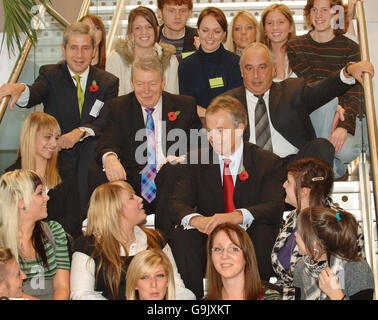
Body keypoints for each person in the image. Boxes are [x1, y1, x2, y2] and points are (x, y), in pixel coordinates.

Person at [170, 95, 285, 299]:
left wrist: (235, 217)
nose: (213, 137)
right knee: (183, 234)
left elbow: (274, 207)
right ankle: (196, 300)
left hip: (249, 233)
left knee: (265, 230)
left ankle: (258, 295)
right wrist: (198, 221)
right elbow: (177, 204)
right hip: (211, 235)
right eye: (209, 131)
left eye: (220, 131)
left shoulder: (267, 162)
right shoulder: (196, 160)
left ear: (240, 129)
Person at [0, 22, 119, 216]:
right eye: (73, 48)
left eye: (85, 48)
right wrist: (21, 89)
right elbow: (35, 93)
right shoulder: (51, 74)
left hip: (89, 156)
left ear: (94, 50)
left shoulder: (108, 81)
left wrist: (80, 132)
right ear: (64, 49)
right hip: (56, 155)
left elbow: (106, 119)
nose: (79, 55)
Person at [89, 55, 202, 240]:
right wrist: (110, 158)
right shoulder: (119, 107)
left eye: (153, 83)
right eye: (140, 84)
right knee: (96, 170)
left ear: (163, 82)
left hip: (173, 182)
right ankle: (104, 240)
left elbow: (198, 149)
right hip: (135, 184)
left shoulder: (185, 105)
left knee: (172, 171)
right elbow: (108, 141)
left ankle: (163, 241)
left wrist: (179, 160)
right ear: (132, 82)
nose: (146, 91)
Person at [223, 42, 374, 169]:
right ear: (242, 72)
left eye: (262, 67)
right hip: (251, 169)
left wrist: (348, 71)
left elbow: (324, 89)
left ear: (273, 69)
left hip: (293, 167)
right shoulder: (228, 102)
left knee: (322, 146)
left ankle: (312, 200)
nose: (256, 75)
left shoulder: (291, 90)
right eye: (249, 68)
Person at [70, 181, 195, 300]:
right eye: (131, 197)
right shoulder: (87, 246)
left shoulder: (156, 240)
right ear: (114, 209)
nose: (140, 199)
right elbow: (81, 294)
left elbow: (176, 286)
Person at [287, 0, 365, 178]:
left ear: (336, 13)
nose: (318, 15)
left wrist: (344, 126)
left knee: (345, 153)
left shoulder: (350, 47)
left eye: (324, 10)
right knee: (325, 104)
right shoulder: (296, 46)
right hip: (316, 112)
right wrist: (334, 104)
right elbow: (314, 86)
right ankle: (325, 176)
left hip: (344, 112)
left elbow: (356, 91)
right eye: (314, 10)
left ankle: (323, 169)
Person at [272, 157, 365, 299]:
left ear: (304, 191)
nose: (284, 185)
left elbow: (348, 277)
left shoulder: (338, 223)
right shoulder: (292, 217)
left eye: (289, 182)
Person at [5, 112, 82, 238]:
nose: (53, 144)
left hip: (60, 245)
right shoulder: (12, 176)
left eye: (57, 138)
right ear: (30, 137)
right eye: (47, 137)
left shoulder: (66, 171)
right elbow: (9, 219)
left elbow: (74, 220)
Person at [0, 169, 71, 300]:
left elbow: (62, 286)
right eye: (40, 193)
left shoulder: (54, 231)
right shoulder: (2, 241)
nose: (47, 197)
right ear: (21, 201)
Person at [293, 206, 374, 300]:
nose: (295, 234)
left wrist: (336, 295)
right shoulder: (302, 267)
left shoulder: (355, 268)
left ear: (314, 242)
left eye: (299, 231)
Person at [178, 7, 243, 115]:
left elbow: (235, 105)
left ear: (224, 34)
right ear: (197, 30)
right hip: (196, 127)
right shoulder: (186, 65)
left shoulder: (235, 63)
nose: (210, 36)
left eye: (217, 31)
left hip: (228, 124)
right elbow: (187, 105)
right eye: (205, 30)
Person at [106, 6, 178, 96]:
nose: (144, 32)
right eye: (137, 28)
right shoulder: (116, 59)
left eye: (149, 27)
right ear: (131, 32)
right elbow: (115, 101)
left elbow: (172, 99)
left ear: (157, 29)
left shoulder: (170, 60)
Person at [205, 223, 281, 300]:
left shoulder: (270, 297)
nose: (224, 256)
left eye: (234, 249)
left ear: (247, 256)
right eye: (217, 249)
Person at [259, 4, 296, 81]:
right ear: (264, 29)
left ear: (291, 27)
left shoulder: (302, 55)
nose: (275, 27)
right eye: (269, 23)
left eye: (281, 22)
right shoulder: (258, 58)